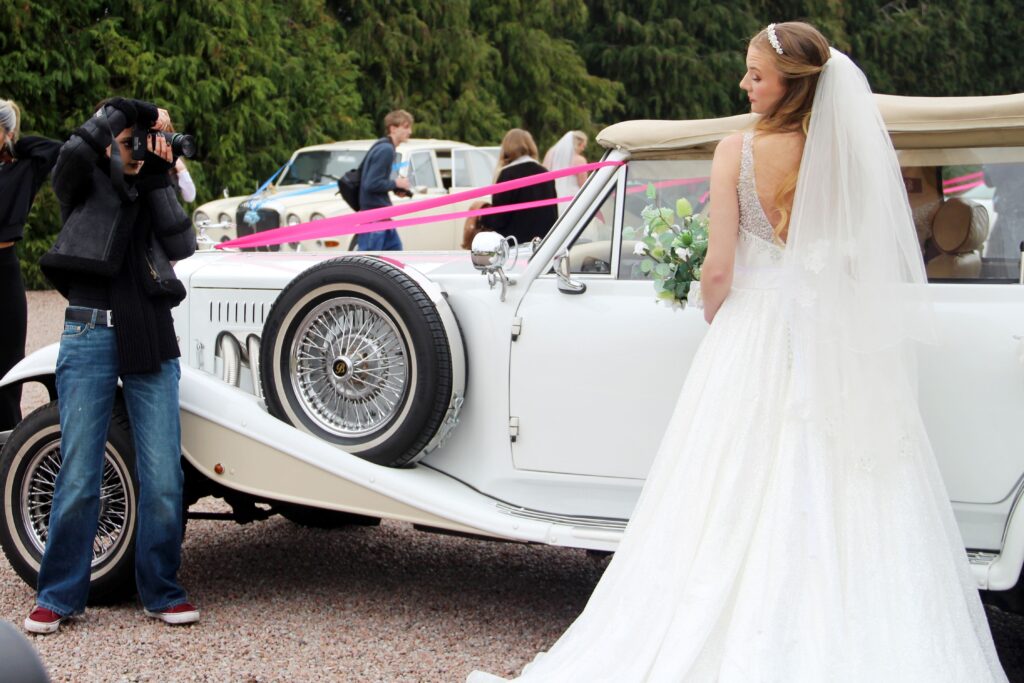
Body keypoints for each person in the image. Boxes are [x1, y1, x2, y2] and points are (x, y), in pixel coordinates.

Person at [469, 22, 1007, 682]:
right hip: (835, 338)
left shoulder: (738, 151)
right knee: (847, 478)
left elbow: (719, 268)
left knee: (725, 477)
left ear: (791, 85)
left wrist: (713, 309)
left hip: (754, 327)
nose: (744, 84)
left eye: (756, 74)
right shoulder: (846, 154)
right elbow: (863, 256)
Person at [24, 97, 200, 634]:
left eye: (139, 142)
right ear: (107, 143)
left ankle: (161, 589)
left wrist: (159, 175)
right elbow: (73, 154)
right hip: (89, 329)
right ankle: (58, 594)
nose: (133, 150)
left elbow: (182, 242)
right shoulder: (84, 182)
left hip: (149, 329)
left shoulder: (153, 183)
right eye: (125, 142)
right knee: (79, 472)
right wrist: (126, 111)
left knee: (164, 475)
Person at [0, 99, 61, 432]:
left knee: (7, 366)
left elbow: (54, 149)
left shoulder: (23, 167)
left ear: (7, 133)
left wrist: (15, 145)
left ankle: (7, 445)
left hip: (4, 268)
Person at [478, 129, 557, 244]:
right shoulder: (546, 173)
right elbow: (552, 214)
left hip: (516, 245)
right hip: (543, 244)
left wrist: (481, 213)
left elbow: (499, 219)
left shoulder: (508, 174)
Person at [356, 109, 414, 251]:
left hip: (381, 216)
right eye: (406, 127)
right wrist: (396, 183)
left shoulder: (383, 146)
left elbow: (374, 180)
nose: (410, 132)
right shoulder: (386, 150)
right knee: (370, 261)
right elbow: (371, 184)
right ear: (393, 128)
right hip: (374, 218)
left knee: (394, 257)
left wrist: (394, 188)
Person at [542, 130, 588, 214]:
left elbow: (543, 175)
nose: (583, 149)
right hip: (572, 200)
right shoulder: (580, 160)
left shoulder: (550, 155)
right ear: (578, 144)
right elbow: (583, 184)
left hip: (552, 197)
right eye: (583, 146)